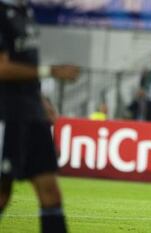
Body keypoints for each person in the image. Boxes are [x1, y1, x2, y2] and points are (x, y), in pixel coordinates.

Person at [0, 1, 80, 233]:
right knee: (3, 192)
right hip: (6, 113)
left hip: (31, 110)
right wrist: (50, 71)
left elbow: (25, 62)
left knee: (50, 190)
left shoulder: (25, 12)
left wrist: (41, 102)